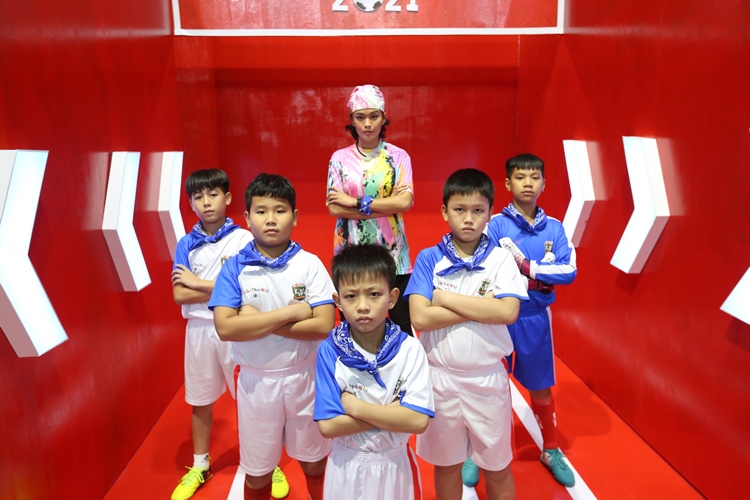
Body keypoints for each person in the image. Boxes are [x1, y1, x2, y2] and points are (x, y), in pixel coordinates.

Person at [208, 173, 336, 500]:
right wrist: (292, 313)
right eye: (261, 211)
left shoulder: (309, 264)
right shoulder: (234, 268)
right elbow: (226, 328)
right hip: (257, 383)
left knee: (315, 463)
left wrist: (253, 319)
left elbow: (323, 325)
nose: (270, 219)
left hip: (305, 378)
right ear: (247, 217)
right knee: (258, 472)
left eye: (280, 210)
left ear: (295, 216)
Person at [404, 168, 529, 500]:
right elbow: (420, 317)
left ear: (490, 212)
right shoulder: (429, 258)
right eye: (460, 209)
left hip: (487, 382)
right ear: (445, 212)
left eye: (478, 210)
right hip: (440, 381)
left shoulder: (501, 259)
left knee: (497, 467)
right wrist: (482, 305)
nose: (469, 219)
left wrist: (443, 298)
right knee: (446, 466)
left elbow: (507, 312)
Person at [170, 169, 289, 500]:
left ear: (228, 198)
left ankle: (268, 463)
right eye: (198, 197)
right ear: (191, 203)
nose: (206, 202)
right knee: (200, 400)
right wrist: (215, 286)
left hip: (237, 327)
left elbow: (244, 286)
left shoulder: (242, 239)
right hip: (198, 329)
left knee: (253, 400)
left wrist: (197, 283)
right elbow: (179, 295)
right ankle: (200, 464)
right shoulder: (186, 244)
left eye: (213, 194)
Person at [483, 153, 578, 488]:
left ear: (544, 184)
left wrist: (527, 268)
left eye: (534, 177)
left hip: (535, 318)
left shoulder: (555, 228)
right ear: (508, 183)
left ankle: (550, 449)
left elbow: (568, 271)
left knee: (540, 386)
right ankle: (476, 452)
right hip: (497, 316)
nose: (528, 183)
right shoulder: (496, 225)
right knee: (487, 386)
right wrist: (541, 275)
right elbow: (485, 265)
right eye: (520, 177)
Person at [314, 243, 435, 500]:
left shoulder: (410, 349)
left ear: (392, 297)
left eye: (373, 294)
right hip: (345, 466)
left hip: (395, 466)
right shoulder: (330, 351)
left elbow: (418, 421)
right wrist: (393, 411)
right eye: (351, 296)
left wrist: (355, 407)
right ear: (337, 301)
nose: (362, 306)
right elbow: (328, 426)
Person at [326, 84, 415, 335]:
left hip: (394, 255)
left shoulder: (398, 157)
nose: (367, 124)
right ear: (352, 120)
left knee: (402, 323)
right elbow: (334, 207)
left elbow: (404, 203)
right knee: (352, 323)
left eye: (374, 116)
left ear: (383, 118)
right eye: (360, 117)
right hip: (350, 251)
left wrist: (355, 202)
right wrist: (386, 207)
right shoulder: (339, 158)